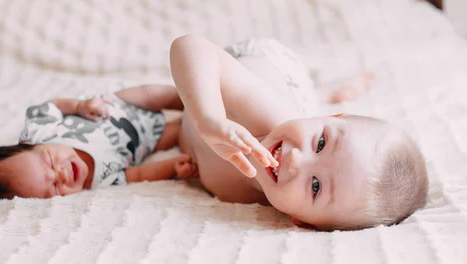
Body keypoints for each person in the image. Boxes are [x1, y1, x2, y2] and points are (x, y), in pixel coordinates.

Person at [170, 35, 428, 230]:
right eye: (321, 143)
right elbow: (192, 46)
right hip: (270, 68)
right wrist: (209, 116)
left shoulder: (259, 198)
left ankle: (330, 96)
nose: (295, 160)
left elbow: (199, 149)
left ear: (305, 222)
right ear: (328, 118)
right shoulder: (268, 116)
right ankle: (325, 92)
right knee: (188, 88)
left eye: (316, 186)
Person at [0, 84, 197, 199]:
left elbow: (53, 106)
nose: (62, 174)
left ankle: (196, 96)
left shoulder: (39, 133)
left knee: (154, 93)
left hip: (120, 106)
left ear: (28, 144)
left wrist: (78, 106)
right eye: (55, 187)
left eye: (49, 161)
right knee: (183, 131)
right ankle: (202, 114)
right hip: (148, 139)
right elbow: (137, 175)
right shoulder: (97, 183)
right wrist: (172, 167)